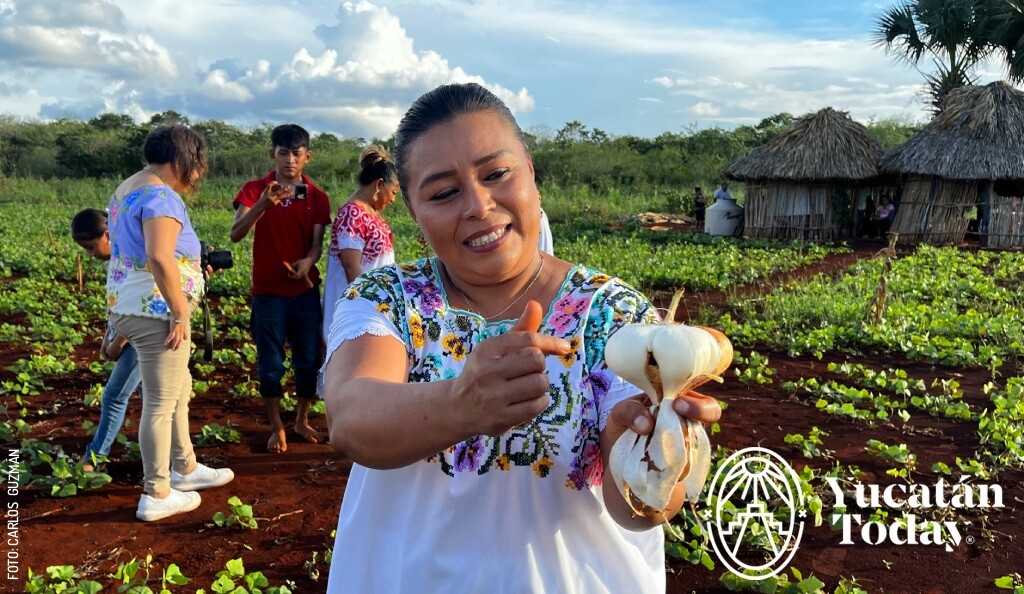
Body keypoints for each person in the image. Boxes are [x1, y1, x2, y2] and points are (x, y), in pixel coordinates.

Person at [320, 83, 722, 593]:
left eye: (496, 174)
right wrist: (460, 402)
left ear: (531, 172)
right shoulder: (385, 298)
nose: (479, 205)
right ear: (414, 212)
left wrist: (649, 456)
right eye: (444, 192)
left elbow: (639, 512)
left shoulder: (615, 313)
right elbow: (351, 417)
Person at [106, 125, 234, 522]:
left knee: (178, 390)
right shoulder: (161, 196)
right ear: (184, 160)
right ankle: (156, 491)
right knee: (160, 404)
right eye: (196, 165)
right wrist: (180, 311)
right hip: (156, 311)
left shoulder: (128, 188)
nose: (197, 174)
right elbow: (160, 256)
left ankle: (186, 467)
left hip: (133, 304)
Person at [230, 124, 331, 453]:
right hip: (268, 293)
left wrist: (308, 262)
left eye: (296, 153)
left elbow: (316, 245)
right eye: (283, 153)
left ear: (307, 157)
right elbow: (235, 234)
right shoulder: (254, 189)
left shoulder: (317, 198)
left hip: (303, 292)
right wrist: (262, 205)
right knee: (270, 364)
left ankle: (301, 420)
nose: (290, 160)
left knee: (307, 359)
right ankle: (277, 427)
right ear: (272, 154)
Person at [72, 208, 142, 472]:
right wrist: (107, 337)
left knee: (113, 396)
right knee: (152, 397)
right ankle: (169, 455)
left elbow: (141, 304)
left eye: (91, 247)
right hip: (127, 334)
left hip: (138, 337)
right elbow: (118, 304)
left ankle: (95, 457)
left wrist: (118, 342)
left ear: (108, 234)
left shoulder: (132, 259)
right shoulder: (117, 261)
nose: (91, 255)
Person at [322, 146, 399, 344]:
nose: (393, 199)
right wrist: (368, 305)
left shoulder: (367, 210)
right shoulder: (353, 213)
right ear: (379, 184)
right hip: (357, 309)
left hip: (370, 307)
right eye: (393, 192)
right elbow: (351, 265)